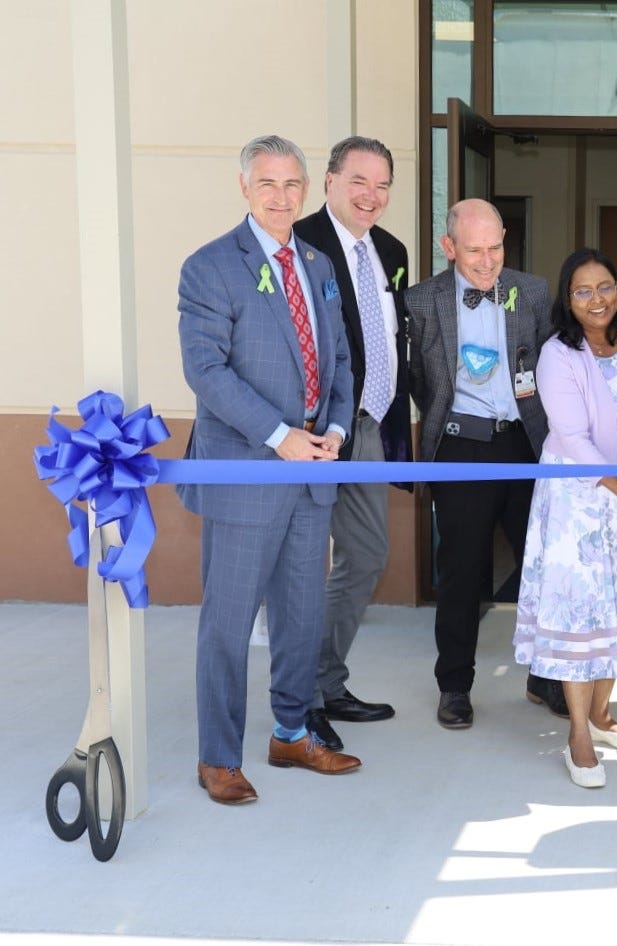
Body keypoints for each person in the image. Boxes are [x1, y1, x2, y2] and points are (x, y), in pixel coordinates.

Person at [177, 134, 361, 805]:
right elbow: (205, 371)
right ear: (244, 188)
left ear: (306, 191)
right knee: (227, 625)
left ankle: (291, 733)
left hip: (313, 473)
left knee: (301, 616)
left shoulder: (316, 264)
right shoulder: (209, 267)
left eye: (292, 186)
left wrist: (335, 429)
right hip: (246, 474)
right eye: (268, 185)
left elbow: (339, 360)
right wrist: (281, 435)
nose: (281, 198)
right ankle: (218, 757)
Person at [513, 248, 617, 788]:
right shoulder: (557, 354)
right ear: (568, 298)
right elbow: (574, 441)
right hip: (581, 505)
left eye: (605, 286)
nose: (596, 299)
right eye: (583, 290)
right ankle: (579, 736)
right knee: (583, 615)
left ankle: (604, 716)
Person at [406, 198, 567, 729]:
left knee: (540, 562)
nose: (486, 259)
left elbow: (553, 364)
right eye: (474, 249)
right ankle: (454, 685)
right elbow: (420, 383)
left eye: (495, 247)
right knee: (461, 571)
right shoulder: (422, 300)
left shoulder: (534, 291)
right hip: (460, 446)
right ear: (448, 247)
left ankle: (546, 678)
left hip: (524, 444)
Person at [292, 136, 410, 751]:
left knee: (365, 555)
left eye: (383, 184)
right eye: (359, 181)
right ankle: (301, 703)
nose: (371, 195)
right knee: (302, 566)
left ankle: (327, 682)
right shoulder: (299, 241)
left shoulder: (392, 250)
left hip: (367, 427)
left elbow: (390, 338)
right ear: (331, 181)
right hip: (309, 432)